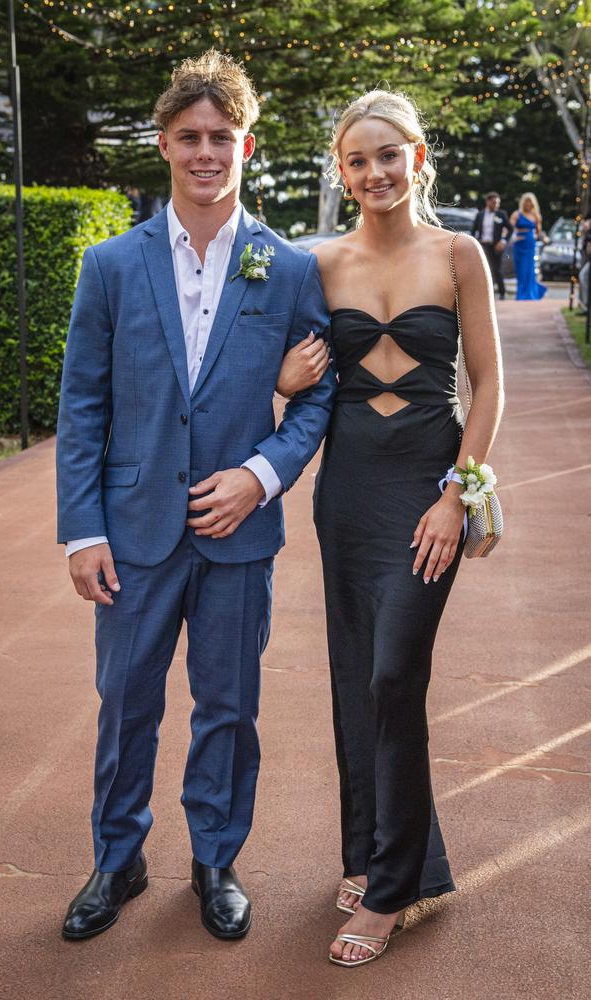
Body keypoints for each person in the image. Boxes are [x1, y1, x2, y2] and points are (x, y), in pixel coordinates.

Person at [56, 49, 334, 943]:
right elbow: (83, 405)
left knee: (229, 704)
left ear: (246, 144)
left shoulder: (288, 268)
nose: (205, 152)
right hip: (132, 532)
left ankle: (216, 855)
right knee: (126, 700)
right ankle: (117, 857)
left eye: (221, 136)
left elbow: (319, 394)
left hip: (238, 535)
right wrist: (79, 531)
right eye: (189, 137)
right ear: (164, 144)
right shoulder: (108, 264)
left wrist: (260, 475)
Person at [298, 89, 503, 967]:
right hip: (346, 492)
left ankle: (391, 890)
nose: (375, 171)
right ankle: (372, 855)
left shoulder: (460, 254)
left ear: (418, 158)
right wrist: (282, 371)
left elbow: (489, 385)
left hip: (427, 490)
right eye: (357, 159)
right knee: (353, 677)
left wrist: (457, 495)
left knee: (392, 675)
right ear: (342, 174)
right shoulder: (319, 263)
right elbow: (298, 380)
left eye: (389, 154)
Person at [471, 191, 513, 300]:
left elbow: (510, 228)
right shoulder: (480, 214)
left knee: (497, 269)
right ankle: (486, 293)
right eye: (494, 202)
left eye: (498, 203)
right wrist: (474, 243)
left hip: (496, 246)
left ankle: (502, 293)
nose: (496, 205)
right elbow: (473, 230)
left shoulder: (501, 214)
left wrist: (503, 241)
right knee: (485, 269)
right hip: (483, 245)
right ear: (488, 202)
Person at [510, 192, 547, 300]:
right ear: (523, 202)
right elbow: (509, 228)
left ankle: (530, 294)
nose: (528, 204)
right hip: (519, 244)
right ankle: (521, 294)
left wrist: (543, 238)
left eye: (530, 202)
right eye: (526, 201)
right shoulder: (517, 214)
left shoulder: (536, 215)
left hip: (530, 244)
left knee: (529, 270)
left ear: (533, 203)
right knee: (520, 270)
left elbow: (538, 232)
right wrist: (513, 237)